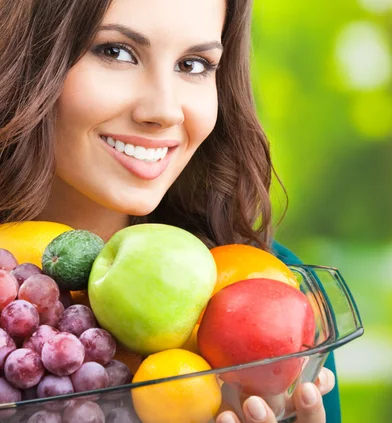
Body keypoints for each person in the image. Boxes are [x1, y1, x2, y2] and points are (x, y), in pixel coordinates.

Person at [0, 0, 341, 422]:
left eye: (194, 64)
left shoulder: (271, 284)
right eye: (115, 52)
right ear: (27, 54)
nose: (164, 110)